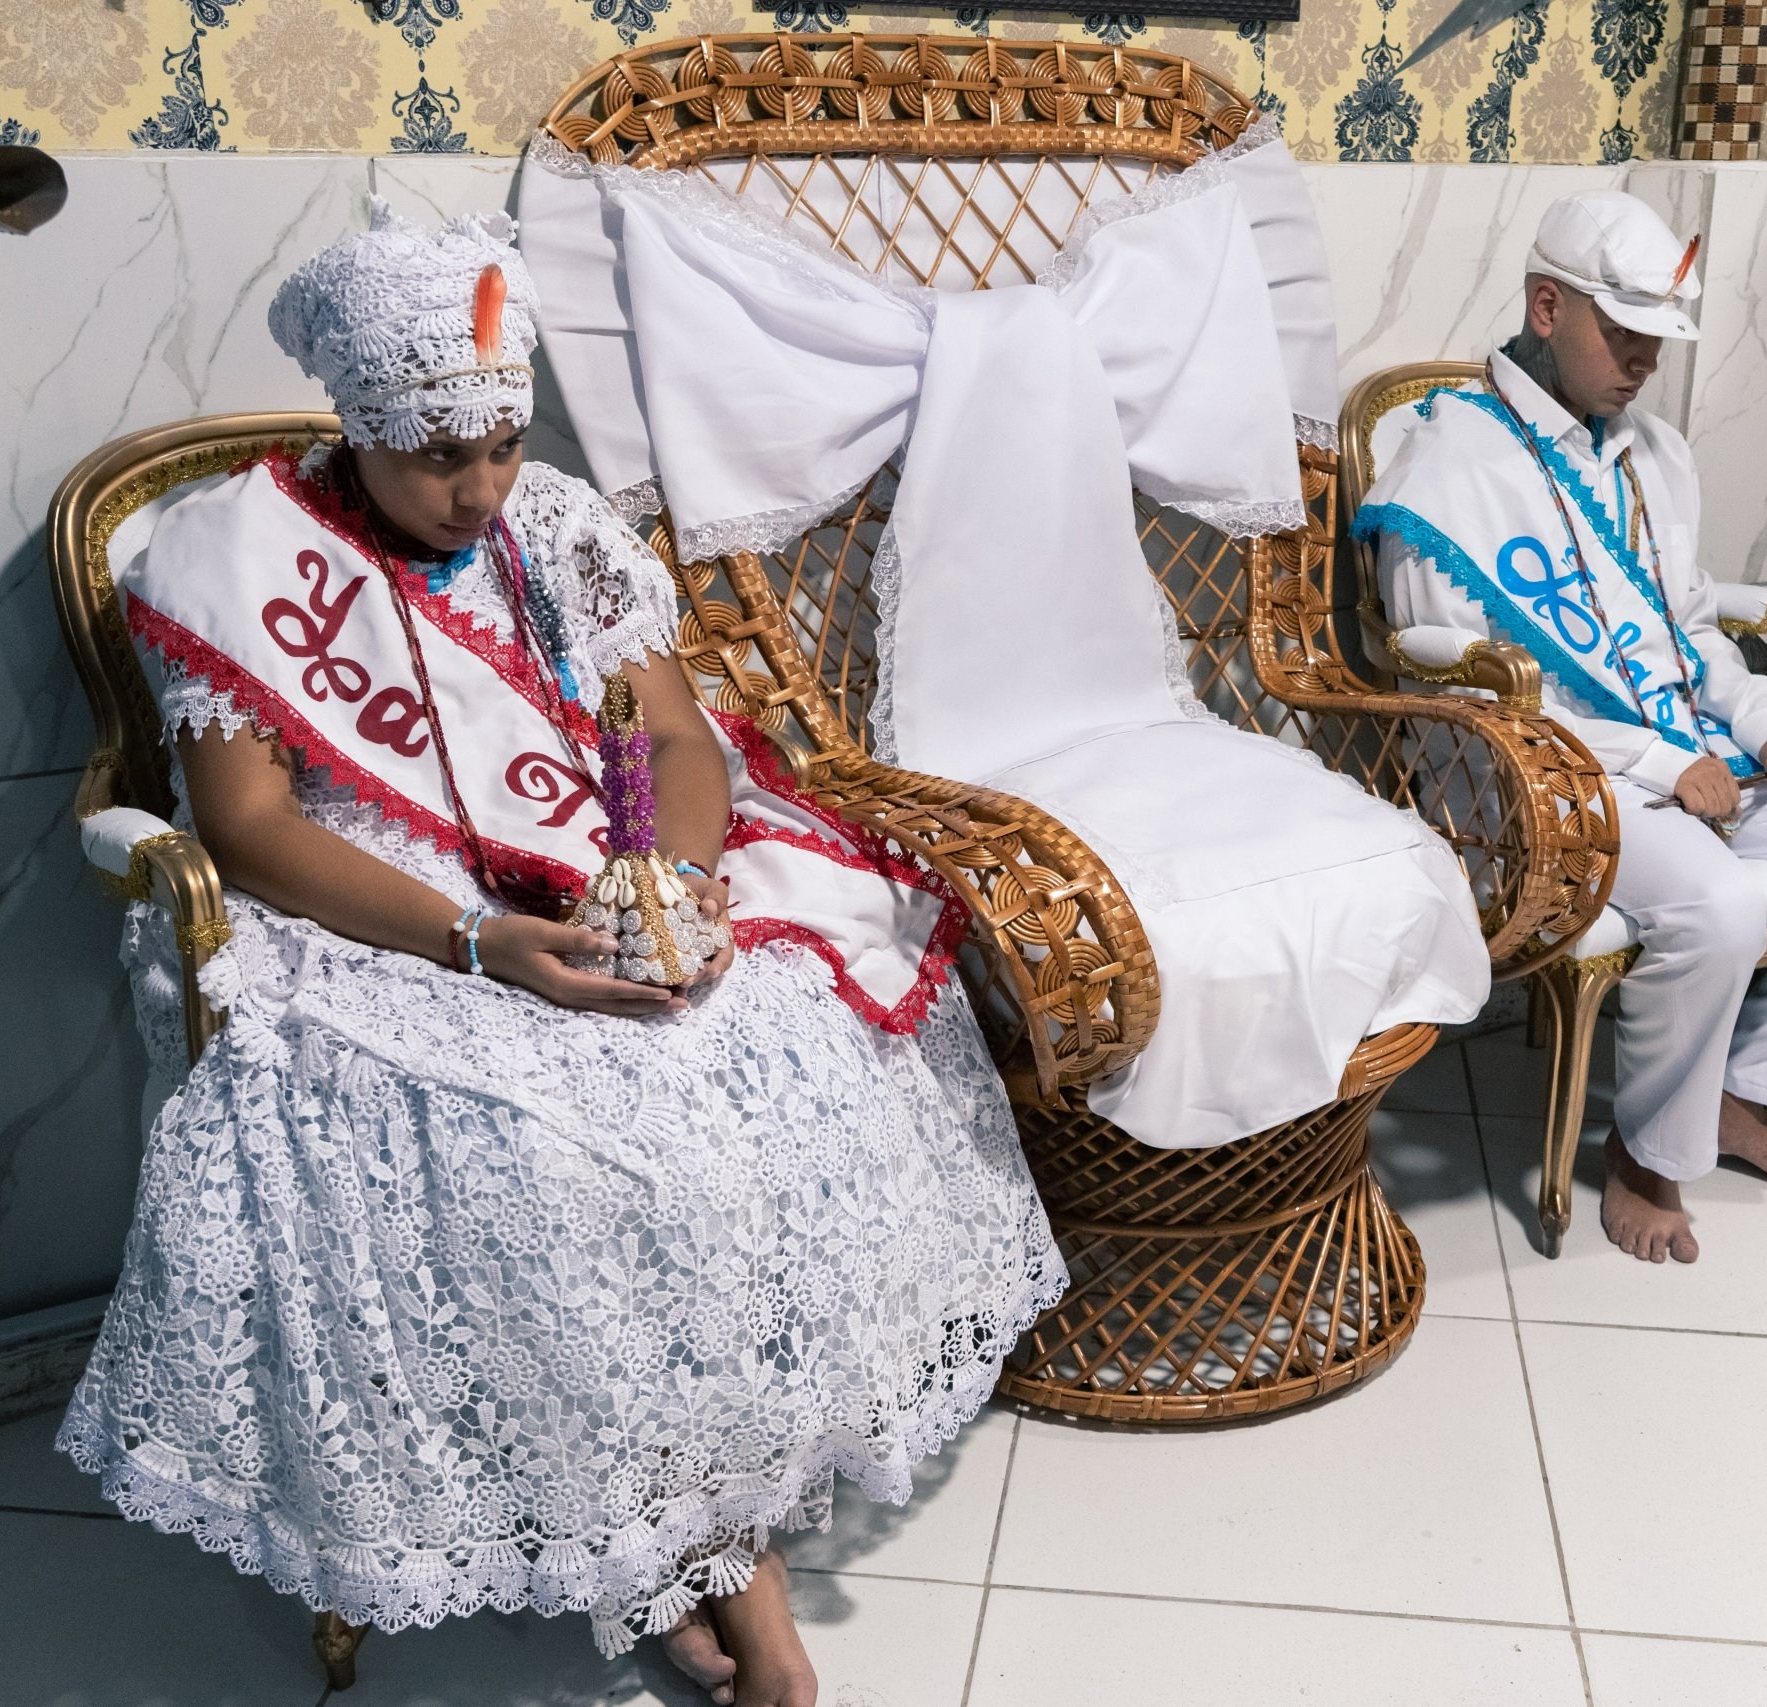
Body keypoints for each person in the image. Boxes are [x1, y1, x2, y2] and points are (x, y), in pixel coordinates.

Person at [55, 206, 1063, 1707]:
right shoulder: (234, 550)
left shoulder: (561, 530)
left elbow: (669, 732)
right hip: (379, 917)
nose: (478, 490)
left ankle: (704, 1540)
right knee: (567, 1164)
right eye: (434, 456)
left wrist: (681, 885)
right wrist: (481, 942)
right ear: (358, 423)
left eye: (503, 445)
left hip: (597, 872)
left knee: (774, 1080)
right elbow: (250, 824)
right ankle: (723, 1563)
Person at [1355, 191, 1767, 1262]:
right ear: (1546, 307)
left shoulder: (1653, 456)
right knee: (1723, 908)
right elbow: (1454, 693)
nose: (1642, 363)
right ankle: (1649, 1153)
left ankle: (1741, 1095)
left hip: (1696, 751)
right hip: (1533, 777)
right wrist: (1652, 760)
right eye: (1622, 337)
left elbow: (1689, 633)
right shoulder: (1445, 466)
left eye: (1656, 342)